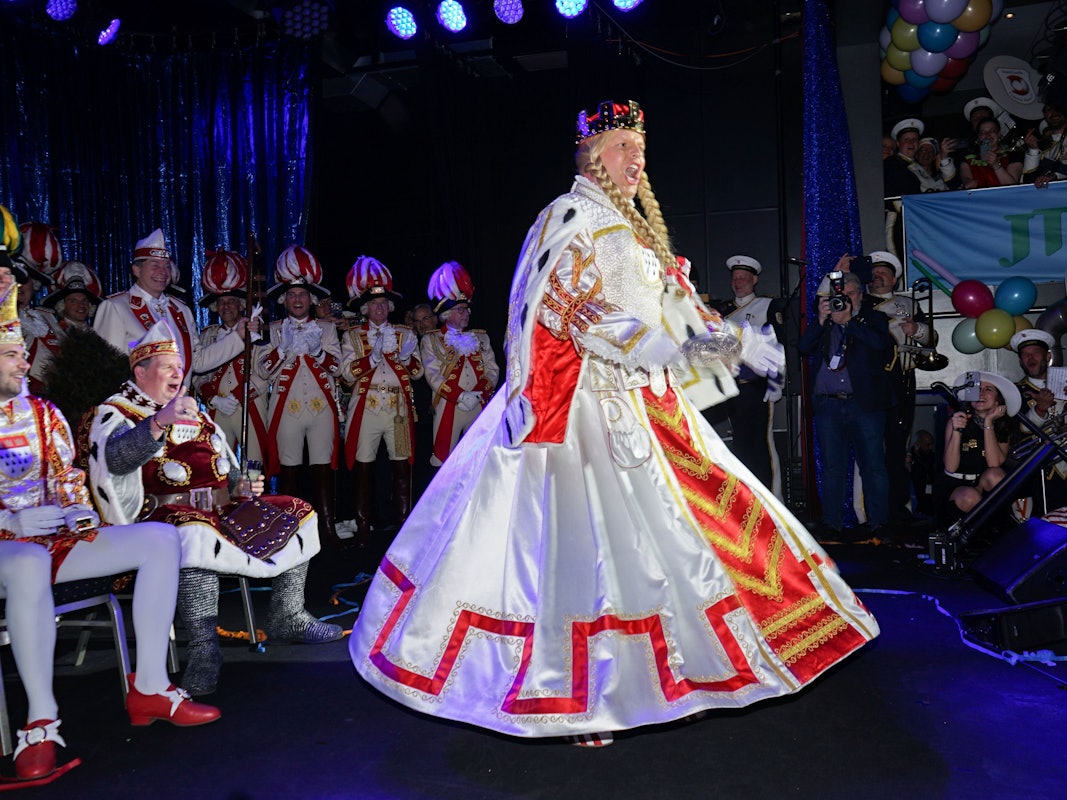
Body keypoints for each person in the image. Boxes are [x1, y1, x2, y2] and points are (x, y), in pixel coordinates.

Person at [348, 99, 878, 747]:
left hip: (642, 402)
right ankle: (578, 697)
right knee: (579, 553)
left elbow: (675, 309)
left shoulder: (631, 228)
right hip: (577, 407)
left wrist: (733, 342)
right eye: (623, 146)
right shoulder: (569, 216)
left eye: (640, 149)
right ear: (591, 154)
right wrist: (673, 348)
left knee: (670, 540)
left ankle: (667, 677)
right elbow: (568, 309)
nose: (636, 159)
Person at [0, 260, 219, 786]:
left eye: (22, 352)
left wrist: (74, 509)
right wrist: (11, 518)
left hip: (51, 540)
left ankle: (151, 686)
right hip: (14, 548)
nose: (24, 360)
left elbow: (69, 478)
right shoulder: (115, 409)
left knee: (160, 538)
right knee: (26, 559)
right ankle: (41, 722)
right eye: (11, 354)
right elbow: (117, 455)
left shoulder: (43, 413)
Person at [88, 319, 342, 696]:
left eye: (179, 367)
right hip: (160, 518)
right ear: (140, 372)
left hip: (220, 510)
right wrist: (158, 422)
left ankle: (288, 615)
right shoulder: (118, 411)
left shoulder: (195, 411)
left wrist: (241, 484)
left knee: (297, 511)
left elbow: (223, 463)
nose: (178, 374)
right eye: (168, 367)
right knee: (194, 533)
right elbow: (115, 461)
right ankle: (204, 647)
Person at [256, 245, 344, 549]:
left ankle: (327, 528)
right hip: (287, 409)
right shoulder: (273, 330)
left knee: (323, 470)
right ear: (284, 299)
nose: (297, 299)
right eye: (292, 294)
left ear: (311, 299)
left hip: (321, 409)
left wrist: (318, 350)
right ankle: (288, 532)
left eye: (303, 295)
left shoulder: (326, 329)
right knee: (289, 471)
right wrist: (282, 349)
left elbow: (338, 368)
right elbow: (263, 370)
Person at [798, 268, 894, 536]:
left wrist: (850, 321)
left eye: (850, 294)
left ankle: (879, 523)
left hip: (864, 405)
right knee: (832, 467)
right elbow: (803, 348)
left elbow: (880, 345)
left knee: (873, 466)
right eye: (839, 295)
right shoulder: (825, 322)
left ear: (860, 295)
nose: (844, 300)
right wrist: (820, 320)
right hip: (828, 405)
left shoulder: (873, 318)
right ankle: (832, 523)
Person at [93, 229, 253, 385]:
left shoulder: (182, 310)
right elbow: (104, 371)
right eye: (155, 265)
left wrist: (238, 335)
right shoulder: (116, 308)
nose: (163, 272)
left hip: (179, 401)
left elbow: (198, 361)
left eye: (167, 266)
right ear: (136, 270)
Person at [338, 256, 422, 547]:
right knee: (363, 467)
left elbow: (418, 372)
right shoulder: (353, 336)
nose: (380, 308)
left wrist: (406, 357)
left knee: (401, 467)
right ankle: (363, 528)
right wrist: (371, 358)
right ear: (365, 308)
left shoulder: (404, 334)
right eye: (374, 304)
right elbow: (346, 374)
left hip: (398, 409)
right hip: (368, 408)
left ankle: (403, 528)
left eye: (384, 303)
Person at [865, 251, 933, 524]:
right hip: (870, 382)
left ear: (894, 280)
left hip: (901, 380)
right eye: (875, 272)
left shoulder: (908, 303)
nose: (878, 276)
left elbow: (931, 338)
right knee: (871, 449)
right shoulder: (859, 302)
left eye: (884, 273)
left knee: (897, 446)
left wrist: (917, 330)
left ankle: (899, 508)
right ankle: (871, 511)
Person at [706, 255, 783, 493]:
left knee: (761, 446)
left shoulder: (767, 306)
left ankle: (771, 500)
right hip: (734, 388)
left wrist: (776, 383)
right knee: (740, 446)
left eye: (743, 278)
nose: (738, 282)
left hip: (757, 386)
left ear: (754, 280)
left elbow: (777, 347)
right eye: (735, 278)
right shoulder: (723, 310)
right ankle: (747, 500)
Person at [192, 249, 269, 465]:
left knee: (254, 465)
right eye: (222, 302)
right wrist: (213, 398)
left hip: (250, 405)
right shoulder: (207, 335)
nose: (226, 306)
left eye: (231, 301)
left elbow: (266, 373)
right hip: (218, 408)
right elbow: (197, 374)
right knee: (218, 465)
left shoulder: (257, 332)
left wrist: (238, 396)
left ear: (241, 305)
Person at [420, 260, 499, 466]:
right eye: (461, 310)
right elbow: (433, 375)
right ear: (448, 314)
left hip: (478, 403)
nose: (467, 313)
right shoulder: (431, 340)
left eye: (467, 309)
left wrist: (480, 393)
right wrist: (460, 396)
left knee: (479, 459)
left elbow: (492, 369)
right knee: (443, 461)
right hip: (449, 404)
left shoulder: (481, 337)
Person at [941, 371, 1020, 517]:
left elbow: (994, 463)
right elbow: (950, 467)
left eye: (988, 389)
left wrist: (988, 422)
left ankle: (997, 526)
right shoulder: (957, 420)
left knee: (997, 476)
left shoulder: (1004, 425)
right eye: (977, 388)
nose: (980, 393)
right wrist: (957, 431)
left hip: (982, 484)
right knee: (970, 497)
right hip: (956, 485)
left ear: (997, 399)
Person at [1010, 329, 1067, 516]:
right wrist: (1040, 409)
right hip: (1039, 472)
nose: (1030, 358)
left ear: (1048, 356)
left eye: (1036, 353)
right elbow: (1017, 432)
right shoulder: (1014, 392)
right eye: (1025, 355)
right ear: (1020, 361)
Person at [960, 118, 1023, 189]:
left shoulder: (1013, 155)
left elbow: (1012, 187)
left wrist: (996, 165)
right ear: (978, 137)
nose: (987, 135)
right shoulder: (968, 158)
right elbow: (966, 179)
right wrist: (968, 183)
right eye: (982, 132)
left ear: (999, 134)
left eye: (992, 131)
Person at [1023, 103, 1067, 187]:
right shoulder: (1043, 147)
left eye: (1058, 108)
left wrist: (1055, 176)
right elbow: (1027, 181)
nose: (1054, 113)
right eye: (1049, 110)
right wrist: (1033, 149)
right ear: (1045, 115)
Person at [908, 429, 937, 518]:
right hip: (914, 496)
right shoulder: (909, 458)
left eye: (932, 444)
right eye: (927, 445)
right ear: (918, 444)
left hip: (930, 497)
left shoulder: (933, 457)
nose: (930, 447)